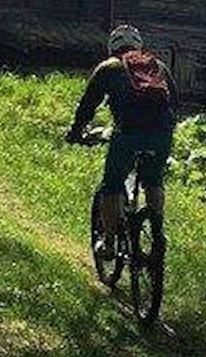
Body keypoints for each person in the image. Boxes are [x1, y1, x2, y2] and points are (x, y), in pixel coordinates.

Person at [66, 24, 178, 257]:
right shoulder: (158, 66)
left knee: (112, 185)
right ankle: (158, 232)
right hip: (162, 134)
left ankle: (108, 243)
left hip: (128, 134)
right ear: (139, 46)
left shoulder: (108, 67)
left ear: (111, 47)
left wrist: (76, 132)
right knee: (154, 181)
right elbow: (174, 102)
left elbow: (88, 104)